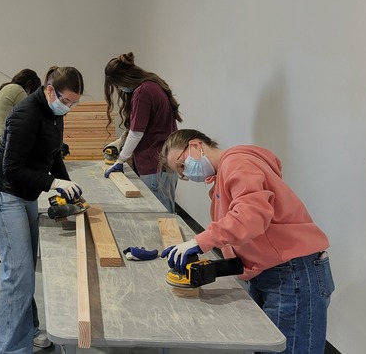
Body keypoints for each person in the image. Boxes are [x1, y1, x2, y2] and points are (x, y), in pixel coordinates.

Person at [159, 129, 333, 353]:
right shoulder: (223, 177)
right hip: (271, 272)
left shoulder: (237, 163)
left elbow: (250, 217)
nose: (187, 174)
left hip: (293, 273)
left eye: (182, 165)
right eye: (181, 173)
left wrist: (199, 241)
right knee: (267, 346)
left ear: (195, 145)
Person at [0, 66, 85, 353]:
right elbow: (11, 169)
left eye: (74, 103)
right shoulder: (25, 114)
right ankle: (10, 349)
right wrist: (53, 184)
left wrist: (67, 183)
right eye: (66, 101)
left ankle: (27, 333)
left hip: (25, 194)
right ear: (49, 89)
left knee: (25, 271)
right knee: (17, 276)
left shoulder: (53, 114)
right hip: (4, 194)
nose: (69, 107)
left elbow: (52, 155)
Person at [102, 52, 182, 213]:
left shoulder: (143, 92)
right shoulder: (152, 85)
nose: (119, 90)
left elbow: (137, 133)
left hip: (155, 165)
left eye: (117, 85)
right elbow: (139, 125)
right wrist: (121, 141)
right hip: (164, 163)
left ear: (123, 79)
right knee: (165, 213)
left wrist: (120, 160)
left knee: (161, 217)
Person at [0, 69, 42, 160]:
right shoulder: (17, 89)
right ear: (29, 85)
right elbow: (32, 115)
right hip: (5, 148)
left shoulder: (4, 90)